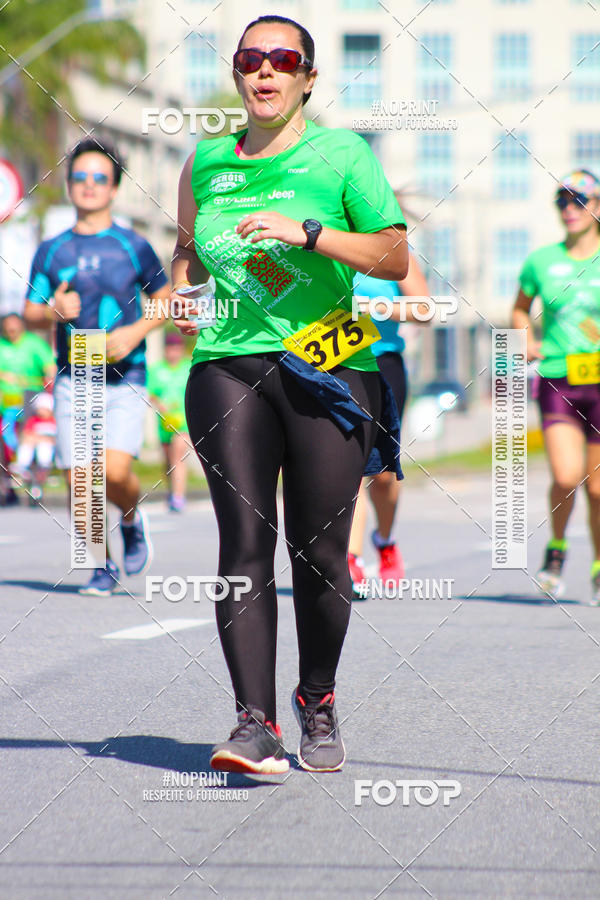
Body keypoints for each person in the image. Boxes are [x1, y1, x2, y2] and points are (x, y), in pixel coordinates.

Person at [172, 14, 407, 774]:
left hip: (326, 367)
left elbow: (394, 255)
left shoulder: (341, 153)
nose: (265, 71)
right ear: (237, 74)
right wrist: (181, 289)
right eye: (251, 59)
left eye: (283, 60)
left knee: (321, 554)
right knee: (243, 544)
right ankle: (253, 723)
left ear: (308, 77)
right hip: (227, 365)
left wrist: (307, 233)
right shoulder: (206, 161)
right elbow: (188, 255)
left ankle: (318, 697)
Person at [24, 136, 170, 596]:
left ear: (113, 187)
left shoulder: (133, 245)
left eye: (99, 178)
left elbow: (165, 300)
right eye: (81, 177)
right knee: (79, 478)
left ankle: (130, 518)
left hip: (127, 378)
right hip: (75, 375)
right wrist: (53, 309)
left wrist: (134, 334)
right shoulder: (51, 249)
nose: (89, 186)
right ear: (68, 185)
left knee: (113, 472)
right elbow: (28, 313)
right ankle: (100, 566)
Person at [512, 169, 600, 604]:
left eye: (578, 200)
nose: (569, 209)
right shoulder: (541, 261)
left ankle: (599, 567)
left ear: (597, 206)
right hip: (560, 378)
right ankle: (557, 549)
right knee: (567, 475)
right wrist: (524, 337)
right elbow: (519, 310)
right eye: (561, 201)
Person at [348, 253, 430, 591]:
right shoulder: (316, 241)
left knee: (381, 476)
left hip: (383, 363)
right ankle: (351, 561)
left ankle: (384, 539)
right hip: (333, 362)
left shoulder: (394, 251)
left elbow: (424, 310)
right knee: (347, 466)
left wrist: (370, 308)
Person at [0, 313, 55, 504]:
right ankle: (6, 486)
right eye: (8, 326)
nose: (11, 330)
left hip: (29, 400)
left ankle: (35, 483)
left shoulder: (33, 343)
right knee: (4, 445)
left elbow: (49, 367)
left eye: (14, 325)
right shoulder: (2, 345)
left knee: (30, 440)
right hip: (5, 403)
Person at [147, 332, 192, 512]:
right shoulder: (157, 370)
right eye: (170, 348)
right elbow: (151, 393)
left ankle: (178, 497)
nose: (173, 352)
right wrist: (161, 404)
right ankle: (173, 492)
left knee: (178, 454)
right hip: (165, 424)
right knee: (168, 461)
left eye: (177, 348)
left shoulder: (187, 368)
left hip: (183, 423)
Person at [14, 391, 56, 505]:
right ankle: (22, 468)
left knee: (44, 447)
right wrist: (34, 439)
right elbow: (26, 435)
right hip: (33, 445)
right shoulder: (33, 421)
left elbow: (56, 439)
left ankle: (44, 467)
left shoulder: (54, 422)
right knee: (26, 447)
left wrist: (42, 439)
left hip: (49, 448)